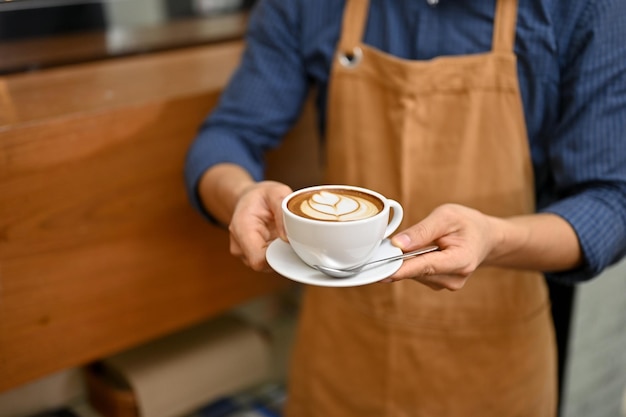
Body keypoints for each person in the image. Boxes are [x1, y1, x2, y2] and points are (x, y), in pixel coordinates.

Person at [184, 0, 626, 416]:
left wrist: (497, 239)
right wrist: (239, 194)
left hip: (495, 365)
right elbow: (228, 135)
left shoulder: (584, 9)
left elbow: (611, 202)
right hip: (342, 354)